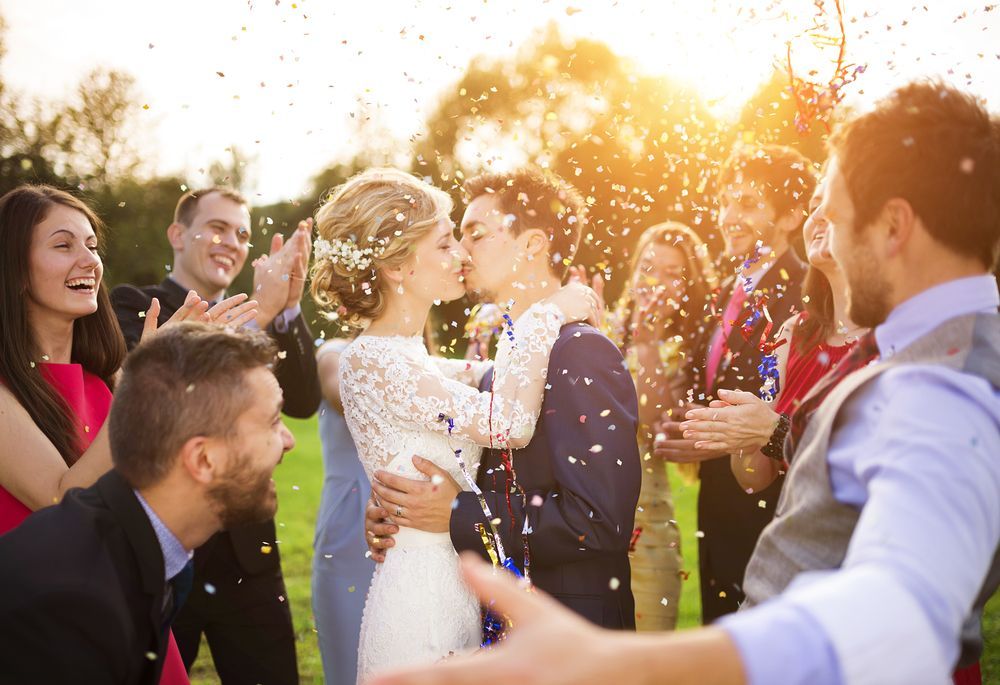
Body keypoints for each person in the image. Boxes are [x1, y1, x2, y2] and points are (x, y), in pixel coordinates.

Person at [363, 80, 1000, 685]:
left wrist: (641, 665)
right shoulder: (914, 356)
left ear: (894, 226)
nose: (817, 241)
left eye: (833, 217)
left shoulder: (943, 385)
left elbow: (900, 605)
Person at [309, 167, 603, 680]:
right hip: (420, 607)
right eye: (445, 244)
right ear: (399, 267)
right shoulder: (377, 361)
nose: (462, 255)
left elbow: (496, 377)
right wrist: (548, 314)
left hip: (454, 586)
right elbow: (508, 421)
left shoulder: (409, 359)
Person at [362, 168, 641, 638]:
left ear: (532, 244)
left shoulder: (581, 353)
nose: (458, 250)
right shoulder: (506, 368)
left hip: (571, 635)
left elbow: (599, 521)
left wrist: (458, 513)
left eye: (474, 233)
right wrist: (402, 507)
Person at [0, 184, 247, 685]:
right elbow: (63, 499)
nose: (89, 260)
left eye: (92, 245)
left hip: (128, 608)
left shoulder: (107, 380)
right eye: (63, 245)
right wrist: (145, 382)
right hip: (47, 626)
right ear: (15, 268)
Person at [0, 323, 295, 684]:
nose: (289, 440)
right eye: (274, 422)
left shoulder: (133, 544)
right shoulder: (74, 606)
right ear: (202, 459)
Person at [111, 187, 319, 684]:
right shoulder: (134, 307)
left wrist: (287, 307)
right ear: (178, 235)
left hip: (249, 554)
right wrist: (262, 313)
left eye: (242, 234)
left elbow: (306, 401)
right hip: (162, 554)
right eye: (219, 228)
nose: (233, 242)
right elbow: (167, 397)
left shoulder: (258, 314)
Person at [653, 144, 815, 622]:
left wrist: (718, 441)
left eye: (747, 204)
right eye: (725, 202)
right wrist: (686, 422)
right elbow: (713, 381)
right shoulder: (728, 289)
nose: (728, 217)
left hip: (769, 511)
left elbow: (798, 410)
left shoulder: (805, 295)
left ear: (789, 217)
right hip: (717, 502)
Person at [680, 173, 867, 494]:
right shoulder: (792, 333)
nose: (820, 213)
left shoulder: (892, 337)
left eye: (833, 203)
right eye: (815, 204)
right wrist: (742, 434)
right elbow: (754, 477)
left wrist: (774, 431)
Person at [595, 221, 717, 630]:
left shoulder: (691, 352)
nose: (657, 283)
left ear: (690, 287)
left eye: (672, 274)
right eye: (648, 268)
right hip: (587, 528)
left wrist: (647, 345)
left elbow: (658, 425)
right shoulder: (604, 332)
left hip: (646, 532)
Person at [311, 336, 375, 685]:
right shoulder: (333, 354)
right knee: (348, 662)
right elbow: (342, 396)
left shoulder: (426, 359)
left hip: (414, 520)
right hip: (349, 526)